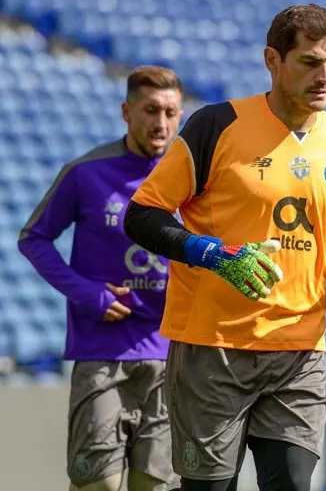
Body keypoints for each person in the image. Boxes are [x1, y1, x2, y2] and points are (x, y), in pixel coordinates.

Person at [122, 4, 326, 491]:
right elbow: (142, 214)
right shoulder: (216, 125)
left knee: (292, 485)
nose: (325, 76)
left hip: (301, 351)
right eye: (309, 62)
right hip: (212, 349)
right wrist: (213, 255)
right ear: (272, 60)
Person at [18, 66, 184, 491]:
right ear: (126, 112)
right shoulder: (86, 173)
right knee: (100, 486)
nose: (161, 122)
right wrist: (86, 293)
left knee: (154, 487)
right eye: (150, 110)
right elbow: (33, 238)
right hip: (102, 353)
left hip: (171, 356)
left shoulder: (193, 178)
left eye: (170, 111)